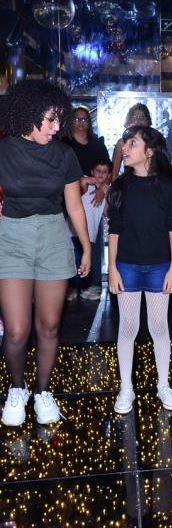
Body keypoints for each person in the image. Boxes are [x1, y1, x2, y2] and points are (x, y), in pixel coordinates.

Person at [0, 80, 91, 426]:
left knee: (49, 326)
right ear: (29, 115)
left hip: (54, 236)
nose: (56, 128)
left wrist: (86, 247)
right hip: (12, 237)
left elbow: (75, 206)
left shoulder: (64, 155)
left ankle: (42, 391)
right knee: (16, 330)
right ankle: (17, 387)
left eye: (59, 120)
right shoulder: (4, 151)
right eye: (51, 120)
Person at [107, 125, 172, 414]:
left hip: (159, 267)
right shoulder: (120, 186)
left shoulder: (167, 186)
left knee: (159, 327)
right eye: (125, 143)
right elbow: (114, 229)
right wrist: (112, 268)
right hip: (126, 266)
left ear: (149, 151)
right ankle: (126, 388)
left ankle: (163, 385)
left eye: (132, 143)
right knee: (128, 327)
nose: (125, 148)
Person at [66, 159, 112, 301]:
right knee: (72, 261)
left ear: (108, 175)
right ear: (92, 172)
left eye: (104, 172)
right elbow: (80, 185)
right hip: (72, 231)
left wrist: (105, 192)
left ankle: (86, 288)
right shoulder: (84, 181)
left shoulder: (106, 190)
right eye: (98, 171)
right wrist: (90, 180)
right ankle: (71, 287)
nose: (101, 174)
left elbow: (107, 213)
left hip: (90, 233)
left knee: (86, 262)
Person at [112, 103, 152, 181]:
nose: (138, 120)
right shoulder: (122, 143)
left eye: (142, 117)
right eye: (135, 117)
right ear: (129, 121)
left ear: (147, 121)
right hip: (129, 185)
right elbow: (114, 172)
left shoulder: (153, 142)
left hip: (152, 185)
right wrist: (115, 188)